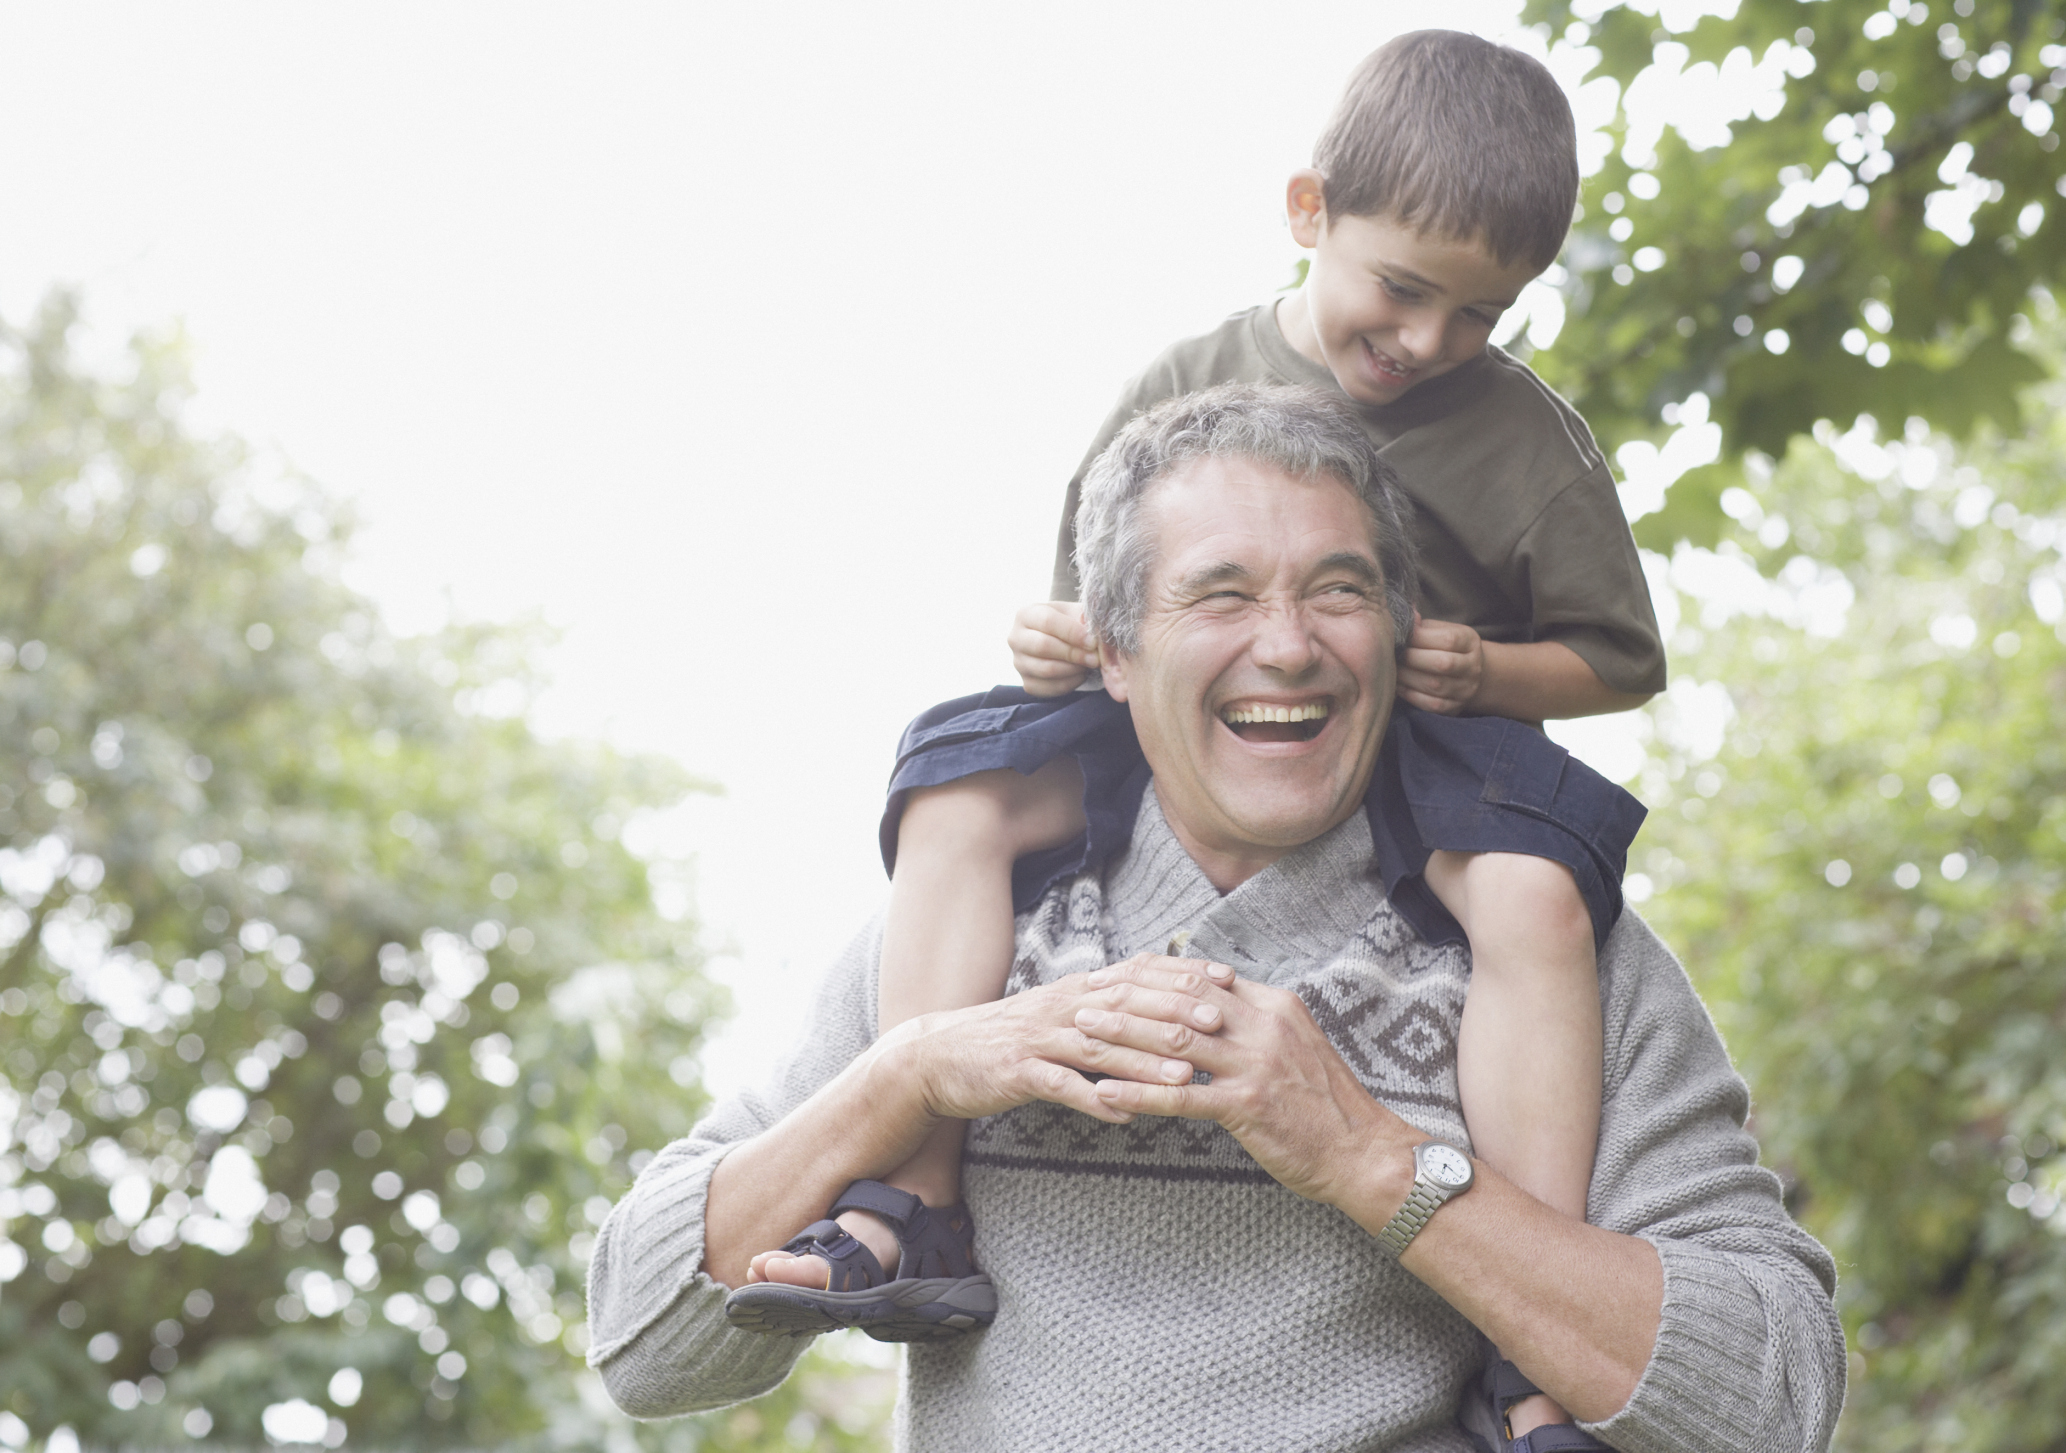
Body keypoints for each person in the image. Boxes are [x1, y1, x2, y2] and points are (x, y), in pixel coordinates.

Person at [586, 386, 1845, 1452]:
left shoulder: (1543, 938)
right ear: (1115, 653)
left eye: (1337, 591)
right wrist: (912, 1074)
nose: (1287, 646)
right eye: (1222, 595)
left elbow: (1777, 1392)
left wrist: (1371, 1160)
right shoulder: (962, 936)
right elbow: (645, 1344)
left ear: (1398, 636)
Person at [727, 31, 1661, 1440]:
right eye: (1402, 290)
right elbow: (1095, 602)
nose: (1428, 342)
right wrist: (1054, 633)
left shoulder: (1527, 442)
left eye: (1479, 314)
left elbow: (1620, 661)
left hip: (1423, 740)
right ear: (1308, 213)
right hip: (1190, 724)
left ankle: (1518, 1334)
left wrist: (1487, 666)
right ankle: (912, 1203)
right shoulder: (1186, 374)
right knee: (954, 790)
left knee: (1535, 890)